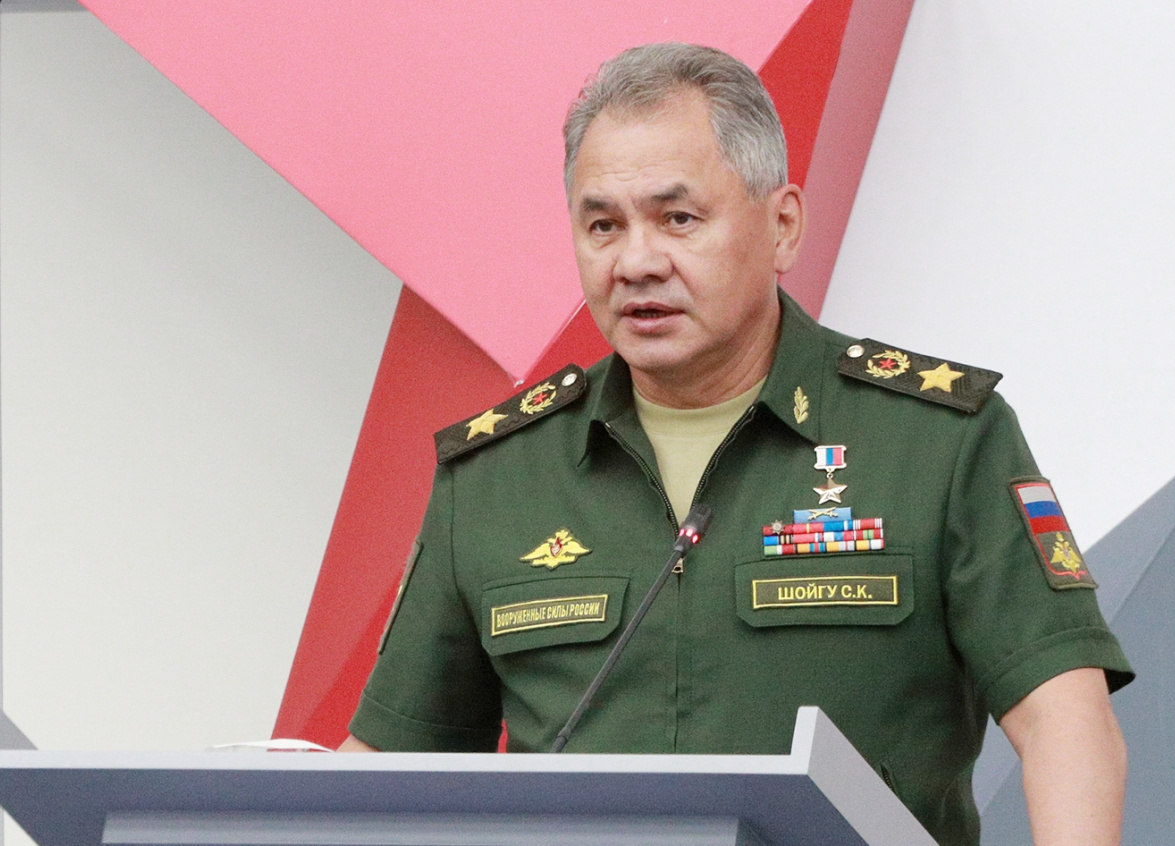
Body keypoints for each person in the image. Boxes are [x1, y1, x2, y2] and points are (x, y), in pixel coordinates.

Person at [340, 43, 1132, 846]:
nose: (636, 262)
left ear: (782, 226)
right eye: (603, 225)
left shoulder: (937, 444)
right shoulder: (496, 477)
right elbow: (385, 772)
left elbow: (1065, 724)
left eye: (678, 219)